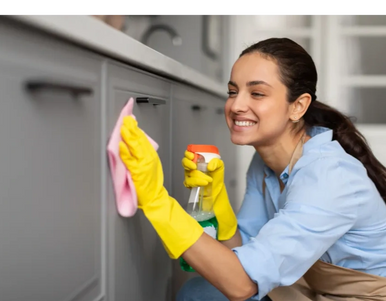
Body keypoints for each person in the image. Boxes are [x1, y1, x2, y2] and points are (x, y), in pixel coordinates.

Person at [118, 37, 386, 301]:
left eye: (257, 93)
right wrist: (218, 205)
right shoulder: (265, 162)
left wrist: (156, 200)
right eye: (233, 91)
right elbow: (246, 252)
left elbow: (242, 283)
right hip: (315, 289)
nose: (236, 106)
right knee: (201, 292)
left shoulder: (329, 176)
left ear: (298, 106)